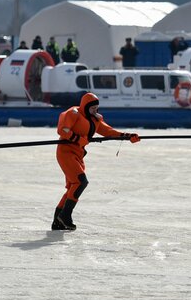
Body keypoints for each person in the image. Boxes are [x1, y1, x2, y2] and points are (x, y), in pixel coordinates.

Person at [53, 92, 139, 230]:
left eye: (96, 108)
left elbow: (109, 131)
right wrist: (79, 139)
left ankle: (57, 221)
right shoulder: (73, 113)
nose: (95, 111)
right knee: (80, 182)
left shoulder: (95, 120)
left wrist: (127, 136)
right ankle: (65, 216)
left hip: (78, 154)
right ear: (85, 106)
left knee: (72, 187)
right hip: (66, 153)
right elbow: (62, 130)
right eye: (92, 108)